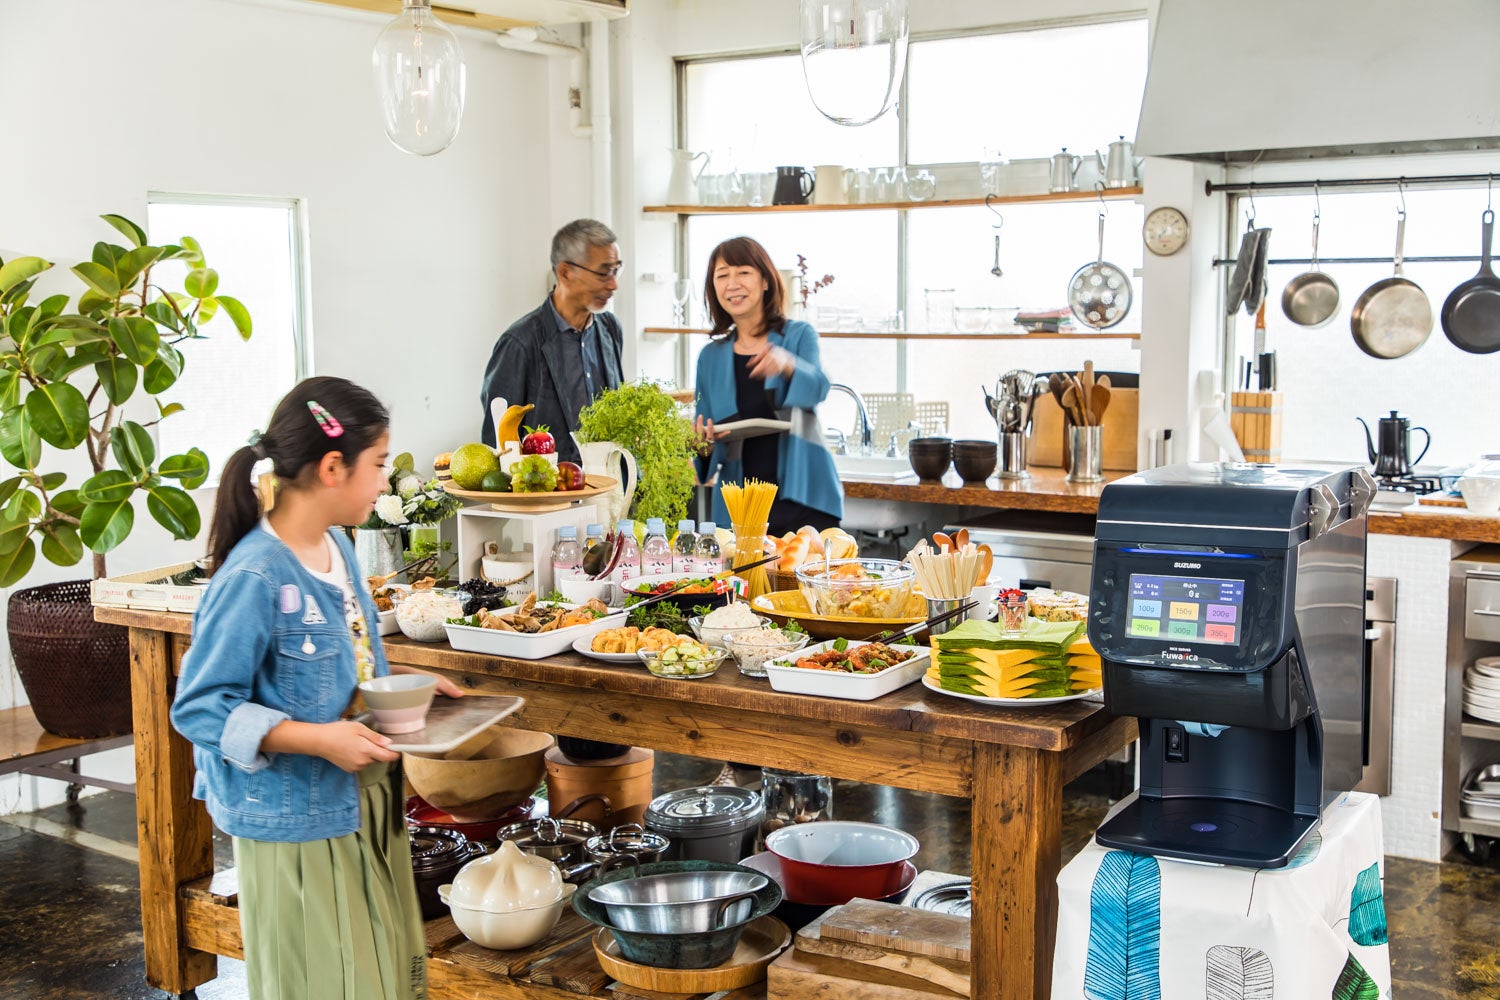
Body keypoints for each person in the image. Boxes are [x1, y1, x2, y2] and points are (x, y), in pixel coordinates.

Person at [171, 376, 463, 1000]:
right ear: (333, 466)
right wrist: (319, 739)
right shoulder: (253, 575)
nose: (386, 480)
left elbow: (349, 666)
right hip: (295, 820)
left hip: (362, 801)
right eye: (379, 464)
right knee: (319, 983)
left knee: (380, 975)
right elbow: (199, 707)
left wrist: (399, 688)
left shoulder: (336, 546)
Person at [693, 236, 843, 536]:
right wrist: (704, 444)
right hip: (742, 506)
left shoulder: (798, 335)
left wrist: (788, 364)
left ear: (765, 281)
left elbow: (819, 389)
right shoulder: (710, 357)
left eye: (743, 272)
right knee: (743, 584)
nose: (732, 283)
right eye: (722, 276)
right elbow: (705, 432)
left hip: (803, 498)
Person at [479, 219, 626, 465]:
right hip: (550, 494)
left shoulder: (610, 329)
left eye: (616, 270)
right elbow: (497, 443)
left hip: (609, 491)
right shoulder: (519, 343)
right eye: (603, 273)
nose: (614, 284)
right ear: (565, 272)